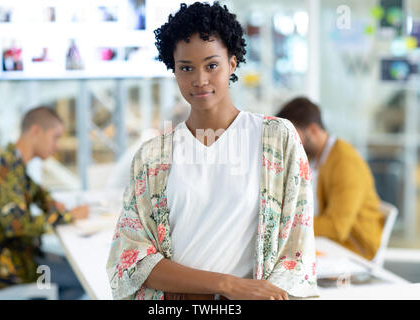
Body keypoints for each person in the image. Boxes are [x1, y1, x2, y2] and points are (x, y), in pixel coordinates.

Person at [106, 2, 318, 300]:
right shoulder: (153, 156)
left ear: (232, 63)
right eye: (186, 68)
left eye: (212, 65)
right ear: (174, 69)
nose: (199, 79)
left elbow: (297, 247)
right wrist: (226, 285)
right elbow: (130, 258)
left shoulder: (276, 139)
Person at [0, 106, 89, 298]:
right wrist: (68, 216)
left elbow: (37, 193)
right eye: (55, 137)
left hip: (17, 256)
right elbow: (18, 226)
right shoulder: (4, 169)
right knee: (81, 277)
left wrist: (52, 205)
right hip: (4, 267)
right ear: (36, 132)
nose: (57, 145)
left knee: (75, 269)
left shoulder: (11, 161)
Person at [276, 97, 385, 260]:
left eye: (293, 136)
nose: (290, 144)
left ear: (313, 130)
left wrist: (285, 226)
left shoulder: (345, 162)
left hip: (354, 250)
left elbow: (336, 227)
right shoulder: (316, 158)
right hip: (327, 244)